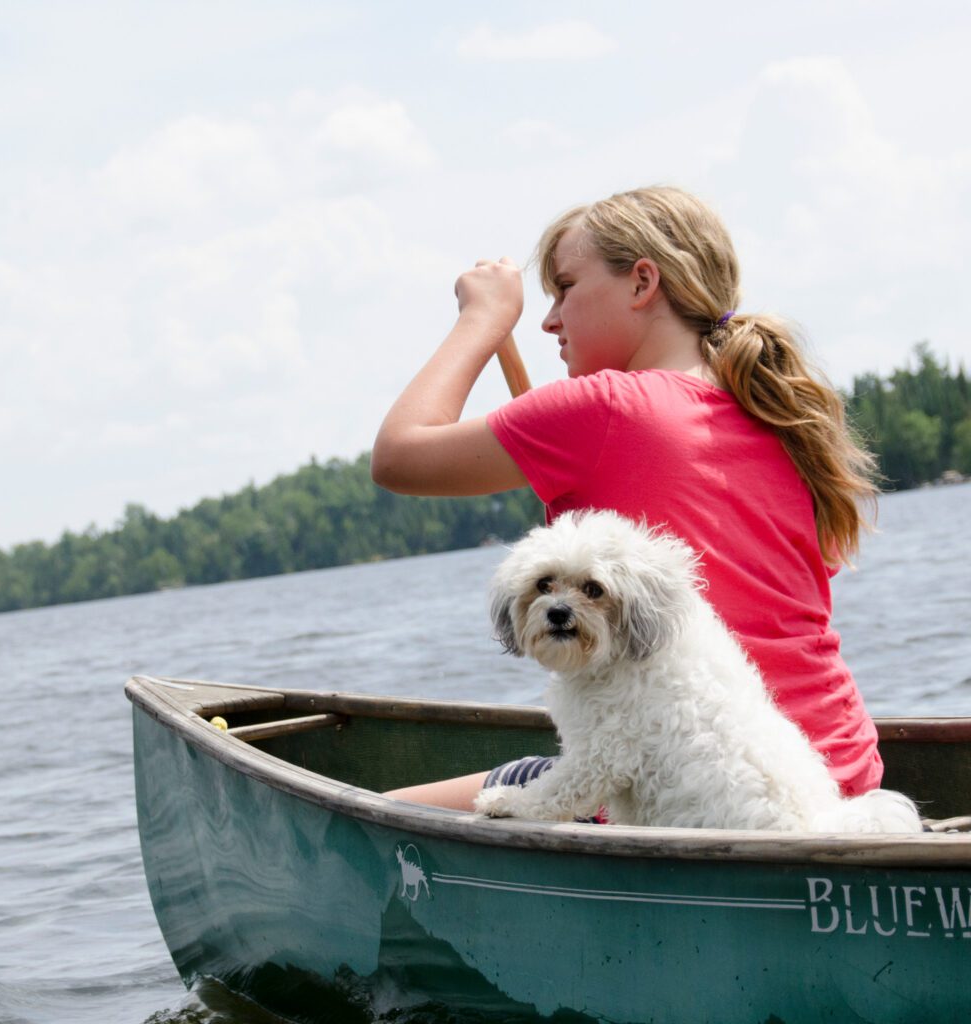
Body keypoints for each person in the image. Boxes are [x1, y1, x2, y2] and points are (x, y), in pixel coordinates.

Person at [371, 185, 880, 813]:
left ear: (643, 283)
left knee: (373, 814)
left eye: (565, 288)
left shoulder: (605, 404)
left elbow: (397, 456)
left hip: (703, 794)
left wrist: (483, 320)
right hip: (845, 772)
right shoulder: (781, 414)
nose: (549, 319)